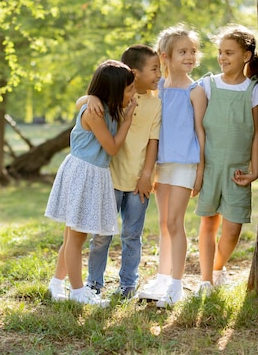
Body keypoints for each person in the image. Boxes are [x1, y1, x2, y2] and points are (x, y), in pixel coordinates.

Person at [46, 60, 137, 307]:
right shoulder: (95, 112)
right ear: (113, 91)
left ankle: (56, 283)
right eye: (129, 90)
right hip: (84, 173)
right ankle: (77, 292)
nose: (133, 94)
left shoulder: (103, 107)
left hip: (91, 173)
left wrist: (88, 97)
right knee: (76, 237)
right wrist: (127, 120)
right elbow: (112, 147)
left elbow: (84, 101)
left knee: (72, 235)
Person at [77, 45, 162, 299]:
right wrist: (88, 97)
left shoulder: (155, 104)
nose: (159, 74)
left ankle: (127, 284)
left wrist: (148, 174)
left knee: (132, 235)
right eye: (154, 69)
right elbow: (86, 103)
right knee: (101, 236)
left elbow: (153, 142)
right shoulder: (115, 98)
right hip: (109, 179)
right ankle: (94, 284)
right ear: (134, 74)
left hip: (139, 181)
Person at [137, 24, 206, 307]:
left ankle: (177, 285)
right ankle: (163, 277)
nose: (190, 56)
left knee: (176, 223)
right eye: (183, 51)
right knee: (164, 224)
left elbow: (201, 132)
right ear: (165, 56)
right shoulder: (159, 89)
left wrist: (201, 170)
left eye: (192, 51)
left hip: (185, 165)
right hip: (161, 165)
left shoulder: (196, 90)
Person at [194, 25, 258, 297]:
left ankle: (218, 269)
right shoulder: (207, 85)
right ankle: (206, 280)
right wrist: (198, 169)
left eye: (229, 53)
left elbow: (257, 133)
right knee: (208, 224)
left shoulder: (253, 91)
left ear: (246, 55)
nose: (222, 57)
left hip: (238, 172)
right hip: (210, 168)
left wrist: (255, 169)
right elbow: (197, 129)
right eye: (220, 52)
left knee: (232, 230)